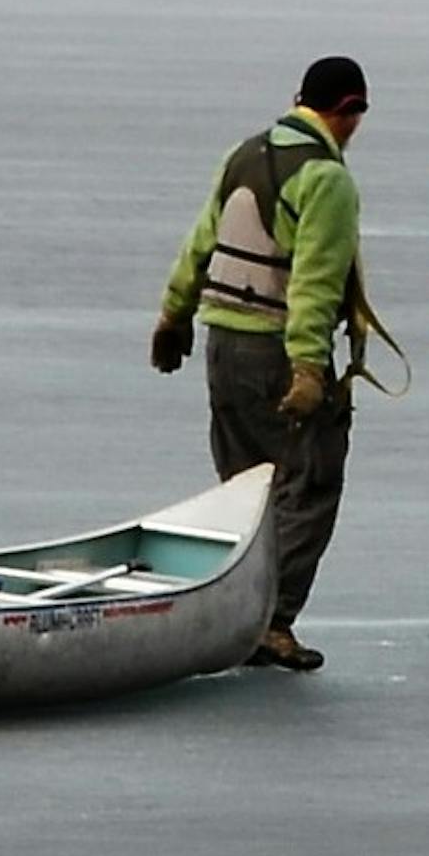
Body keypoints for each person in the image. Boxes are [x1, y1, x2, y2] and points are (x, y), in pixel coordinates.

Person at [149, 56, 369, 672]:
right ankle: (270, 622)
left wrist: (174, 316)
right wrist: (308, 370)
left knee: (246, 488)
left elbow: (201, 242)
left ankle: (234, 614)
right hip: (277, 349)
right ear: (350, 111)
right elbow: (316, 285)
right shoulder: (326, 178)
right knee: (310, 484)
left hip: (223, 346)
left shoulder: (243, 153)